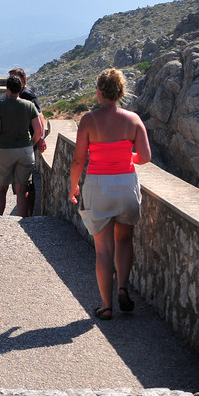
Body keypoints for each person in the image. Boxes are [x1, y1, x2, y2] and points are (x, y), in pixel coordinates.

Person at [70, 68, 151, 320]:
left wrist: (73, 186)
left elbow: (78, 160)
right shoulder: (133, 119)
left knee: (104, 250)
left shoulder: (88, 120)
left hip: (98, 185)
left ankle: (106, 307)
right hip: (126, 185)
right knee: (124, 240)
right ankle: (123, 288)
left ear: (98, 93)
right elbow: (146, 157)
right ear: (120, 93)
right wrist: (128, 156)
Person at [0, 75, 44, 217]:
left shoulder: (0, 106)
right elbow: (39, 130)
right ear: (21, 88)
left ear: (7, 89)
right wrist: (32, 144)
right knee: (22, 189)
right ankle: (21, 220)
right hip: (25, 150)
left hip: (4, 150)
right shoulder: (29, 105)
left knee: (0, 189)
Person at [8, 67, 47, 216]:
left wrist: (40, 138)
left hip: (26, 143)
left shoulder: (26, 94)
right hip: (24, 143)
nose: (13, 82)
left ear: (23, 80)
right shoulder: (20, 95)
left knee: (24, 182)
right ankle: (27, 213)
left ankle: (26, 214)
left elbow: (40, 116)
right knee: (25, 182)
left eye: (15, 79)